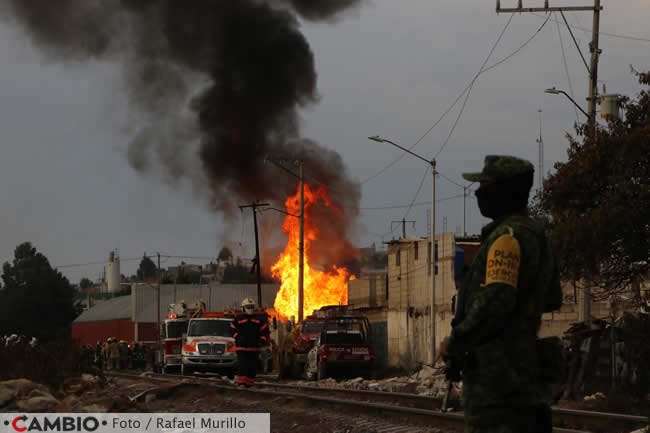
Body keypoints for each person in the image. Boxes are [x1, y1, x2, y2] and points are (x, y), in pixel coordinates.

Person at [439, 155, 563, 433]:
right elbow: (552, 297)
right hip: (529, 376)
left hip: (498, 385)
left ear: (501, 191)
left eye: (484, 185)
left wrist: (456, 341)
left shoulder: (506, 239)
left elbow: (495, 302)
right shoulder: (537, 235)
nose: (478, 192)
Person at [231, 298, 270, 387]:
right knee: (242, 365)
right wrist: (237, 337)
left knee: (252, 367)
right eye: (248, 307)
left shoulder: (259, 320)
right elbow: (232, 329)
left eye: (251, 306)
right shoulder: (238, 319)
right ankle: (241, 383)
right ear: (243, 308)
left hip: (254, 348)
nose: (250, 308)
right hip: (242, 348)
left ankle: (249, 384)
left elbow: (265, 331)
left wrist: (262, 340)